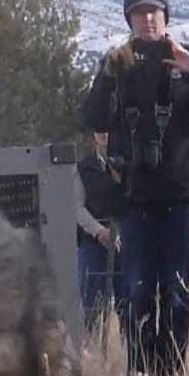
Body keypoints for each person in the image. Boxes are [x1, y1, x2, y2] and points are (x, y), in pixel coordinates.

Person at [83, 0, 189, 376]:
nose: (147, 19)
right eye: (139, 13)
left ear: (166, 16)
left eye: (154, 12)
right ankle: (139, 373)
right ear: (129, 19)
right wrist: (106, 78)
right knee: (136, 292)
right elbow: (93, 118)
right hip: (135, 199)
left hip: (183, 198)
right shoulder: (117, 64)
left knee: (178, 292)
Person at [76, 131, 125, 335]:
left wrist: (118, 233)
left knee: (128, 304)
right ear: (94, 136)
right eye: (100, 131)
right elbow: (77, 207)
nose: (105, 134)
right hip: (93, 242)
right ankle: (91, 349)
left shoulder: (128, 164)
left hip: (124, 241)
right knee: (91, 306)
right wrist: (99, 232)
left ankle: (129, 349)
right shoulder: (82, 168)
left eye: (109, 129)